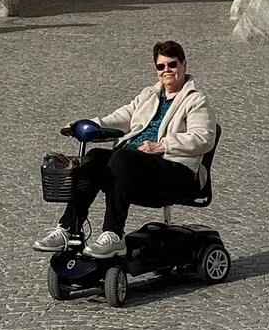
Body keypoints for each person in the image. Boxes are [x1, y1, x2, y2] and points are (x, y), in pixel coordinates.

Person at [34, 40, 217, 259]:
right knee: (93, 158)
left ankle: (113, 235)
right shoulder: (149, 95)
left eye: (172, 64)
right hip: (137, 164)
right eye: (161, 66)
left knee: (121, 158)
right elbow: (123, 116)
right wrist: (90, 125)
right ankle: (68, 229)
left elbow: (204, 138)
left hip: (175, 169)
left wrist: (163, 145)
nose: (167, 70)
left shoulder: (196, 100)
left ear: (184, 64)